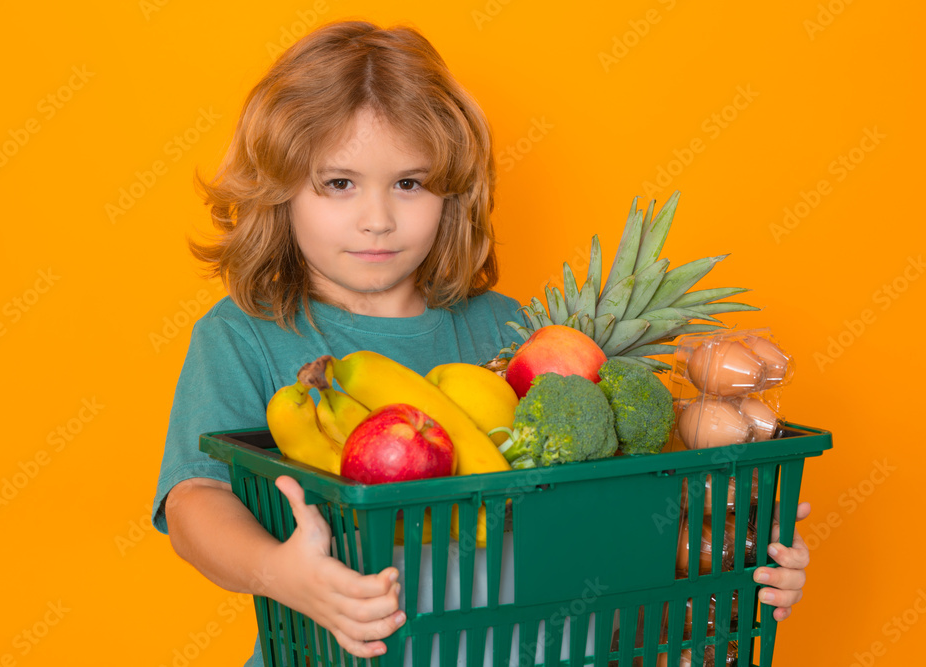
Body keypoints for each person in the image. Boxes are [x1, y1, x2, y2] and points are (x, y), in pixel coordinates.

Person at [151, 19, 811, 666]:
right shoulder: (245, 335)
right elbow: (193, 503)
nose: (377, 219)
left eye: (409, 183)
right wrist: (277, 572)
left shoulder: (513, 333)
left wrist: (736, 553)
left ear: (452, 195)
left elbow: (603, 503)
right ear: (279, 188)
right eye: (339, 183)